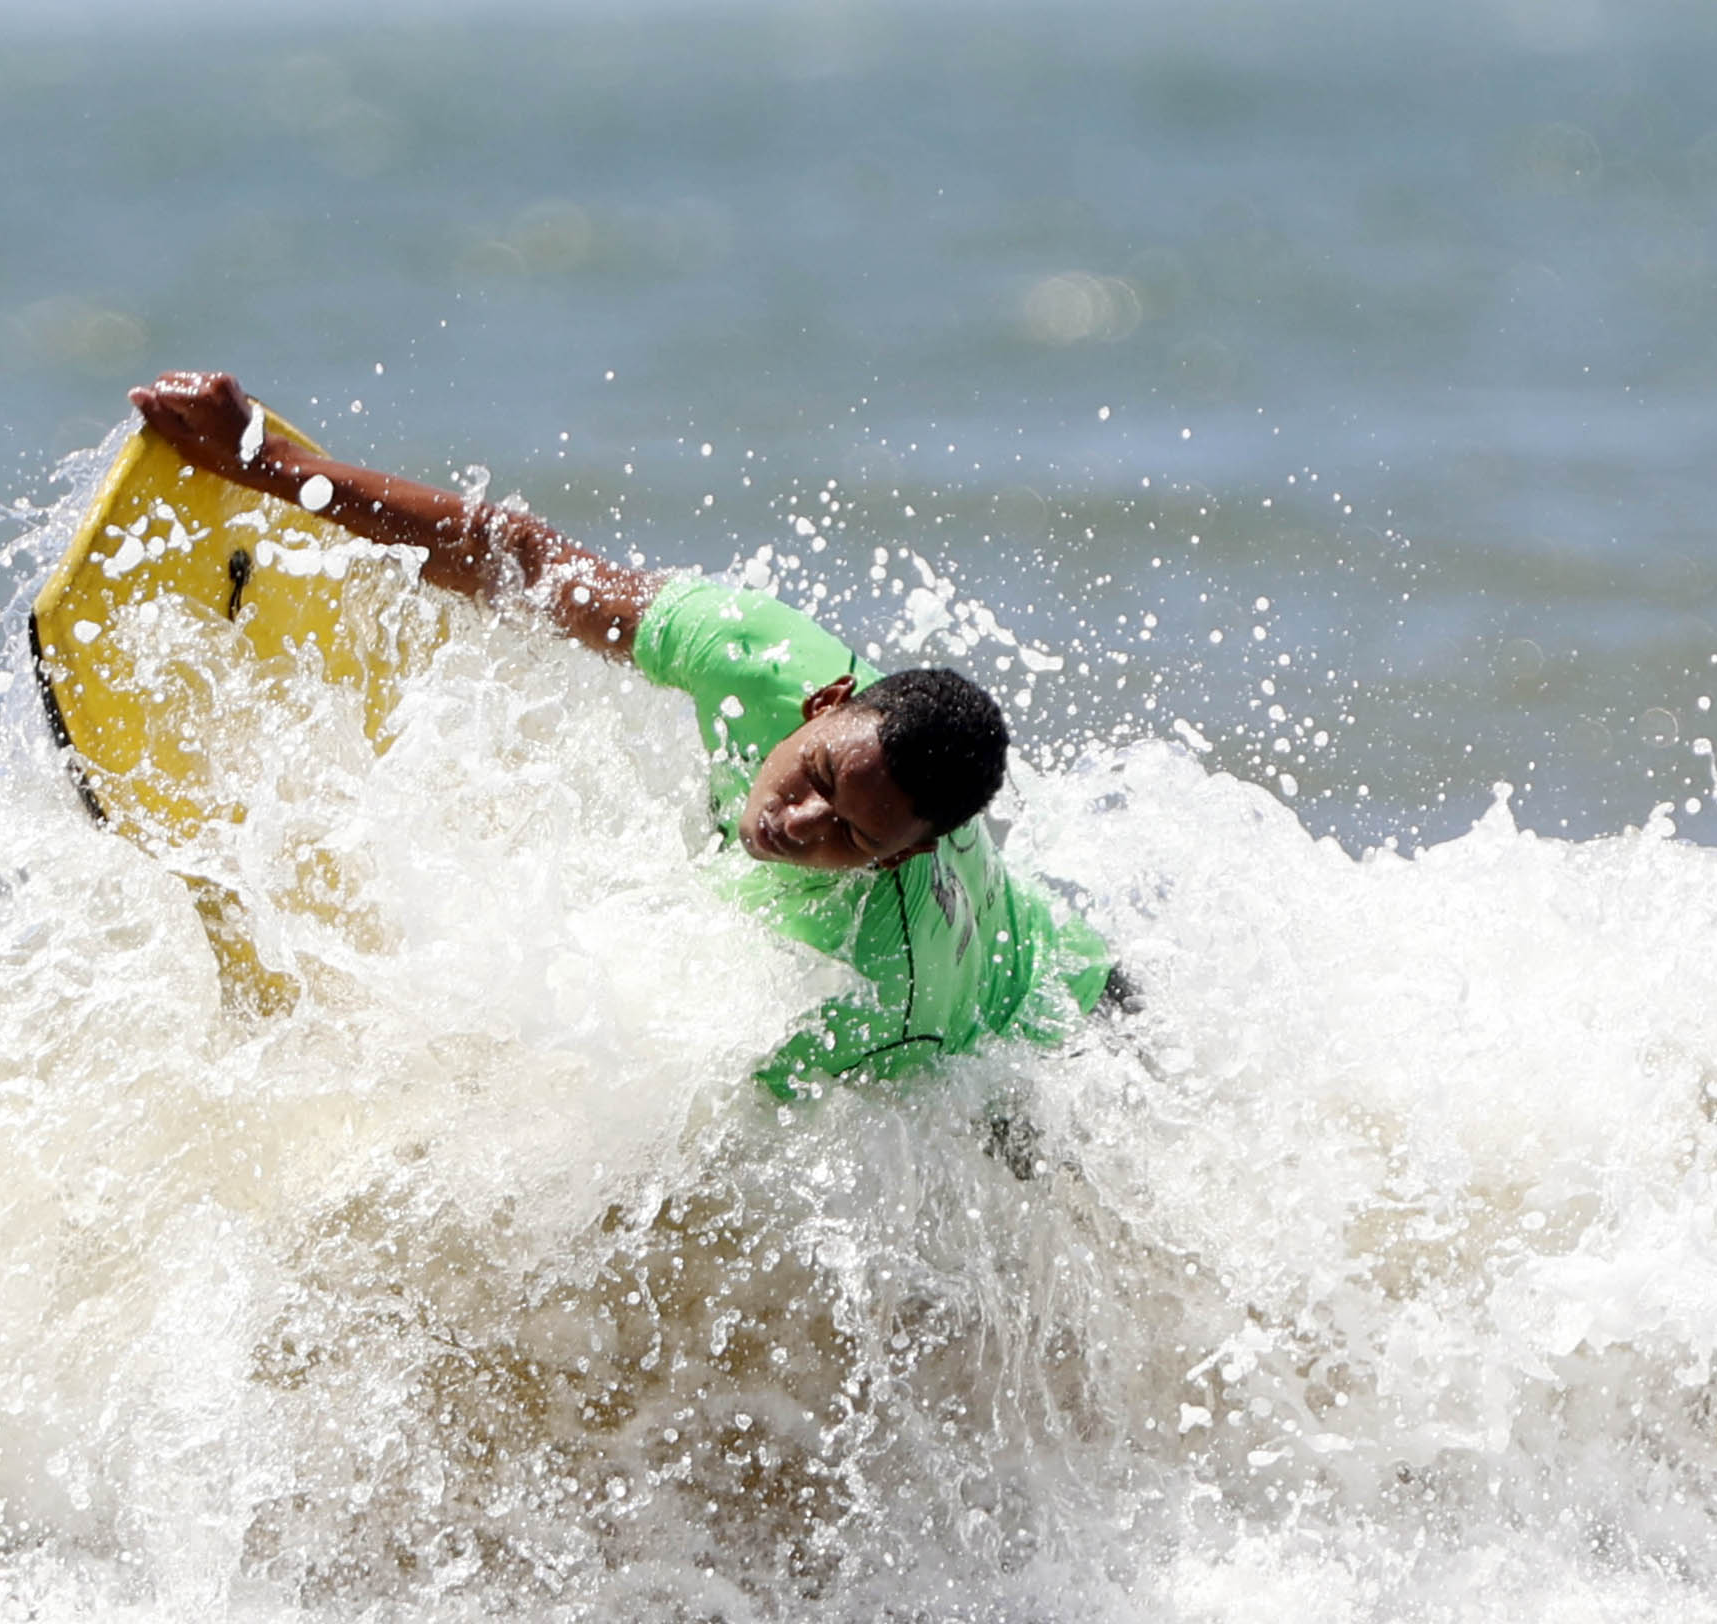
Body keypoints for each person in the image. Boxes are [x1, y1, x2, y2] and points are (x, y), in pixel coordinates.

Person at [128, 372, 1125, 1097]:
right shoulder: (764, 658)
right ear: (825, 704)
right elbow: (518, 558)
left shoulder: (867, 981)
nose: (798, 820)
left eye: (852, 838)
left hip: (1048, 1045)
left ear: (903, 857)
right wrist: (267, 461)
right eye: (818, 775)